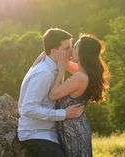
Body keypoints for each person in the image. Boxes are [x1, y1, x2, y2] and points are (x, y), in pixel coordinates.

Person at [17, 28, 84, 157]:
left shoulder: (55, 67)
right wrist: (64, 114)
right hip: (35, 134)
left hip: (48, 134)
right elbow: (28, 108)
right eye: (66, 48)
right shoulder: (44, 73)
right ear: (54, 51)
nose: (71, 51)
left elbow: (83, 71)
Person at [48, 34, 110, 157]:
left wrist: (60, 72)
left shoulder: (80, 77)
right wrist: (49, 54)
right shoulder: (84, 72)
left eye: (75, 47)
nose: (71, 50)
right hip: (75, 127)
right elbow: (61, 61)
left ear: (83, 53)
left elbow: (53, 95)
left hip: (73, 131)